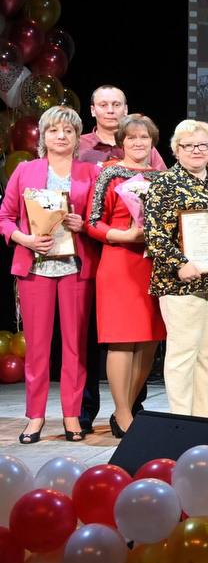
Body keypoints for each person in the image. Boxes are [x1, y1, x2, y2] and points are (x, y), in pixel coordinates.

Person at [0, 107, 99, 443]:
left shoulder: (90, 172)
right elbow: (5, 218)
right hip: (35, 268)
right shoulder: (25, 170)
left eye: (68, 131)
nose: (61, 136)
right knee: (38, 348)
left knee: (75, 347)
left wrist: (82, 224)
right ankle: (35, 417)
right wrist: (25, 239)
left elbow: (96, 220)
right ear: (43, 135)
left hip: (75, 268)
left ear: (77, 137)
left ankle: (72, 415)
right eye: (54, 130)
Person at [143, 120, 208, 418]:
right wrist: (180, 263)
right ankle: (181, 421)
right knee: (183, 354)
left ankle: (201, 420)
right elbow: (154, 235)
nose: (197, 150)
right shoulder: (163, 183)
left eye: (203, 145)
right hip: (179, 283)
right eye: (189, 146)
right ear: (176, 150)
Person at [86, 114, 165, 437]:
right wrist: (125, 235)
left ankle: (127, 409)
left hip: (152, 264)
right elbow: (93, 221)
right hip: (119, 262)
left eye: (144, 137)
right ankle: (121, 412)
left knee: (148, 339)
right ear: (121, 142)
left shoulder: (162, 177)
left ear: (152, 142)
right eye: (131, 137)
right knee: (122, 340)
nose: (138, 142)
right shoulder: (109, 173)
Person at [78, 85, 167, 169]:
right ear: (93, 110)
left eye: (116, 105)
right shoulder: (78, 144)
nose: (110, 110)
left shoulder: (142, 145)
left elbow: (163, 177)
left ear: (125, 109)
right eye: (103, 105)